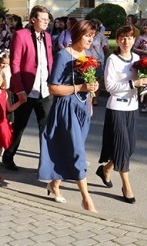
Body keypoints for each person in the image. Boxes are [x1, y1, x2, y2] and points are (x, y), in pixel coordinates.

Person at [38, 19, 99, 213]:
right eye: (88, 35)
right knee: (77, 153)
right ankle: (86, 199)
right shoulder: (63, 56)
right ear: (78, 35)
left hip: (82, 110)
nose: (91, 39)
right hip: (66, 109)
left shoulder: (87, 55)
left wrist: (92, 90)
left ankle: (54, 184)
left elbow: (88, 83)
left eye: (92, 36)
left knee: (70, 149)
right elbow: (53, 88)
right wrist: (80, 88)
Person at [97, 25, 147, 204]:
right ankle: (127, 186)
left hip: (132, 108)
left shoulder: (137, 58)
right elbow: (109, 87)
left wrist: (146, 86)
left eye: (130, 38)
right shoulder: (112, 59)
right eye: (122, 38)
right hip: (117, 108)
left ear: (134, 39)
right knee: (122, 147)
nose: (126, 41)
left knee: (130, 147)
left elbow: (142, 82)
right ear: (117, 40)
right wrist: (133, 84)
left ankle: (106, 169)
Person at [3, 5, 53, 171]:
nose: (47, 22)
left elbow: (48, 62)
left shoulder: (47, 36)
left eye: (48, 19)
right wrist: (20, 89)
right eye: (43, 19)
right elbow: (15, 64)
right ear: (33, 20)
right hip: (26, 90)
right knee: (19, 126)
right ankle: (8, 156)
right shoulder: (21, 35)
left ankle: (45, 165)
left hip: (45, 90)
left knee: (46, 130)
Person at [89, 19, 109, 106]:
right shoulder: (88, 34)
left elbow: (106, 48)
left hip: (97, 60)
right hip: (87, 60)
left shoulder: (101, 37)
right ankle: (89, 97)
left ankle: (96, 98)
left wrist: (101, 55)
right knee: (89, 79)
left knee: (97, 79)